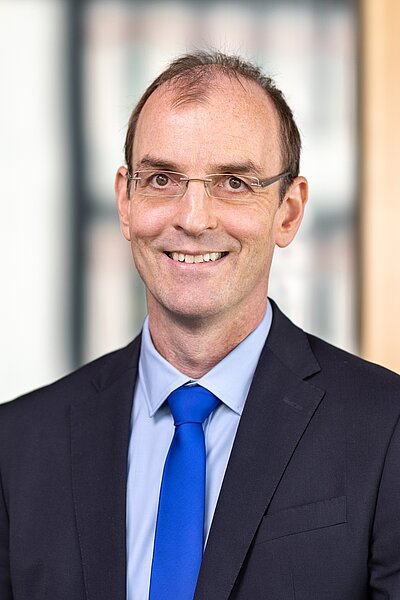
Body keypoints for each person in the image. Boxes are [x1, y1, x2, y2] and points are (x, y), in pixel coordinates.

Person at [1, 51, 400, 600]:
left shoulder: (386, 428)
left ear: (288, 211)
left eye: (233, 182)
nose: (192, 218)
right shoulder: (17, 447)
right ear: (125, 201)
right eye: (161, 178)